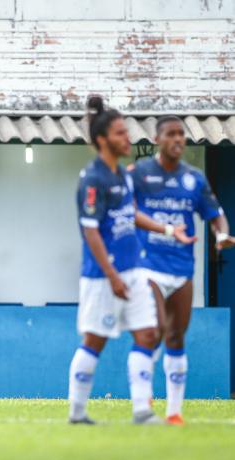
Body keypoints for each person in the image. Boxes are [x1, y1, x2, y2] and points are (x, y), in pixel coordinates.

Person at [68, 96, 194, 425]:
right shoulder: (92, 178)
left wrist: (168, 229)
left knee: (149, 334)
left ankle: (142, 410)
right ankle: (77, 412)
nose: (129, 138)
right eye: (121, 133)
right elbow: (90, 232)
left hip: (134, 272)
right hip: (102, 276)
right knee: (95, 340)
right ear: (103, 140)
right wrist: (112, 276)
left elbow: (131, 213)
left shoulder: (123, 174)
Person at [130, 116, 235, 425]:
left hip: (182, 268)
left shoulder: (194, 178)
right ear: (157, 138)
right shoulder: (140, 174)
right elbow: (127, 211)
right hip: (147, 264)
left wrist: (221, 234)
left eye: (181, 135)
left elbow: (215, 214)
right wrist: (163, 228)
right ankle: (142, 401)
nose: (177, 139)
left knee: (176, 336)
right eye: (171, 134)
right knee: (154, 329)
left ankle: (174, 413)